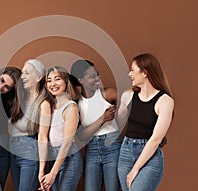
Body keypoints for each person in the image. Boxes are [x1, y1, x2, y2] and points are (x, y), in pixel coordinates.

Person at [117, 53, 174, 191]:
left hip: (150, 155)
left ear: (145, 73)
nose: (130, 74)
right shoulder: (128, 96)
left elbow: (156, 139)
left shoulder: (165, 101)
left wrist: (135, 169)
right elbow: (117, 125)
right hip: (126, 151)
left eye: (132, 70)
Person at [70, 59, 122, 191]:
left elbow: (134, 109)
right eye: (92, 76)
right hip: (91, 150)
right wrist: (102, 119)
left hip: (112, 146)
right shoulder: (77, 103)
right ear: (80, 80)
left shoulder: (108, 94)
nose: (97, 79)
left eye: (97, 74)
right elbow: (81, 135)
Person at [8, 59, 52, 191]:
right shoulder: (19, 98)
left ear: (39, 77)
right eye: (22, 73)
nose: (22, 77)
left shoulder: (43, 104)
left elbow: (43, 138)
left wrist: (42, 169)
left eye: (27, 73)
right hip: (12, 151)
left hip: (29, 152)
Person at [39, 66, 82, 191]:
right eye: (49, 80)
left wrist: (53, 174)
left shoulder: (71, 107)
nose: (53, 84)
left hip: (69, 157)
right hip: (53, 156)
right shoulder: (50, 106)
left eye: (57, 79)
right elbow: (42, 137)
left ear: (65, 81)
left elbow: (66, 143)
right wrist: (42, 170)